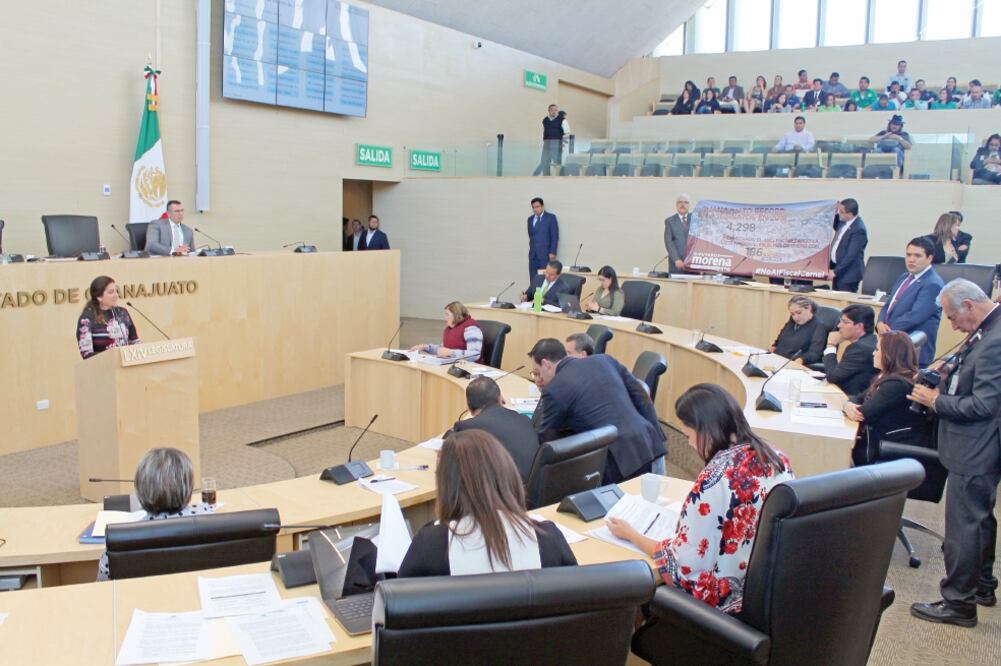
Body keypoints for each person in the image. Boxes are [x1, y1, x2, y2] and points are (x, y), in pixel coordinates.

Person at [606, 383, 793, 614]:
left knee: (640, 587)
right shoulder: (776, 457)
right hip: (766, 587)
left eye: (689, 435)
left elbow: (682, 562)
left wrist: (631, 535)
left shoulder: (715, 478)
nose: (690, 444)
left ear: (706, 430)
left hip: (725, 600)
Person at [909, 279, 1001, 627]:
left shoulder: (995, 340)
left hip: (976, 447)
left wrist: (936, 401)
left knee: (963, 527)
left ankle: (959, 603)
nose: (952, 325)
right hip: (976, 446)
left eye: (952, 317)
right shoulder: (988, 328)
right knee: (980, 519)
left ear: (969, 306)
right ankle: (982, 586)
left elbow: (984, 405)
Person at [397, 430, 577, 577]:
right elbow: (575, 599)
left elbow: (396, 602)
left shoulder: (430, 546)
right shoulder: (549, 539)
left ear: (447, 486)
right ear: (508, 475)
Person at [529, 338, 666, 483]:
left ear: (546, 364)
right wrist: (656, 436)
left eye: (538, 372)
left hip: (619, 463)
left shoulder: (555, 389)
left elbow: (547, 440)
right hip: (649, 443)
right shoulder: (604, 360)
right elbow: (642, 397)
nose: (539, 379)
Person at [96, 448, 212, 580]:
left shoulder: (120, 539)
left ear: (139, 489)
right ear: (189, 487)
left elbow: (103, 584)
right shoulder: (209, 520)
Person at [843, 331, 929, 466]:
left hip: (887, 451)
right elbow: (858, 398)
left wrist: (849, 407)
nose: (873, 353)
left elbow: (863, 413)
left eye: (877, 350)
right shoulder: (888, 378)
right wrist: (847, 406)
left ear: (889, 355)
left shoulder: (896, 385)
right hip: (880, 443)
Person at [450, 377, 539, 484]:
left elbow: (448, 447)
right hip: (535, 486)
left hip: (504, 490)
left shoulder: (467, 427)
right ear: (500, 399)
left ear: (469, 409)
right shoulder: (523, 419)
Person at [876, 237, 944, 367]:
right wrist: (880, 322)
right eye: (908, 255)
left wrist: (888, 331)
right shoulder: (904, 277)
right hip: (892, 346)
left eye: (917, 256)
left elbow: (915, 316)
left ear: (929, 258)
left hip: (912, 352)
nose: (911, 259)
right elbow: (889, 305)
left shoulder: (933, 283)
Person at [77, 275, 139, 359]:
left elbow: (134, 342)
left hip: (126, 364)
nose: (116, 295)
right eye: (111, 292)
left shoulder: (122, 313)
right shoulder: (87, 319)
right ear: (99, 297)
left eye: (116, 291)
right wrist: (114, 358)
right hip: (102, 366)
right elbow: (86, 354)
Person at [823, 304, 879, 396]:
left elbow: (832, 377)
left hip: (851, 398)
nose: (839, 325)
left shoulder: (860, 348)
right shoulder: (870, 341)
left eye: (845, 322)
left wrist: (831, 345)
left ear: (859, 326)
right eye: (840, 321)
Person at [410, 301, 483, 362]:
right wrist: (424, 347)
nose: (445, 318)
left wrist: (450, 353)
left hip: (470, 368)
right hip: (453, 364)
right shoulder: (450, 329)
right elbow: (443, 349)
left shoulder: (471, 328)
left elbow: (475, 354)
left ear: (456, 315)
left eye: (447, 315)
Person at [768, 296, 827, 364]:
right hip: (777, 359)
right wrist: (774, 347)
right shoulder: (792, 320)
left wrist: (802, 359)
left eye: (799, 312)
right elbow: (780, 338)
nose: (795, 317)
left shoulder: (818, 326)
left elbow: (815, 353)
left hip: (793, 363)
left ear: (809, 308)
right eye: (792, 314)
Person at [829, 198, 868, 293]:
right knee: (834, 298)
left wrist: (835, 272)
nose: (839, 213)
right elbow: (833, 222)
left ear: (850, 214)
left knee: (842, 299)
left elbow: (851, 255)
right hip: (838, 270)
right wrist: (834, 209)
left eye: (841, 212)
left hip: (848, 275)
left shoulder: (859, 230)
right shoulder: (843, 222)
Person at [526, 196, 558, 281]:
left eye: (537, 207)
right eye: (533, 207)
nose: (535, 209)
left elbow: (554, 236)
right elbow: (531, 236)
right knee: (533, 280)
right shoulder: (530, 219)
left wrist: (553, 252)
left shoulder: (550, 218)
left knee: (545, 280)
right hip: (533, 256)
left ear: (542, 206)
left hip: (545, 255)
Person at [532, 104, 566, 177]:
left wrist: (562, 142)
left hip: (557, 144)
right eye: (552, 110)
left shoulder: (562, 120)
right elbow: (545, 131)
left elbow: (567, 132)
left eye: (556, 110)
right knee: (545, 161)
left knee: (557, 162)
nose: (554, 111)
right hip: (547, 143)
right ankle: (546, 176)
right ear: (549, 111)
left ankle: (558, 177)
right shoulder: (545, 120)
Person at [664, 193, 692, 274]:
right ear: (676, 205)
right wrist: (676, 259)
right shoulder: (670, 221)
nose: (682, 205)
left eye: (686, 202)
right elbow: (668, 242)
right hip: (676, 264)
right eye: (680, 202)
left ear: (689, 205)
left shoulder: (696, 219)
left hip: (692, 264)